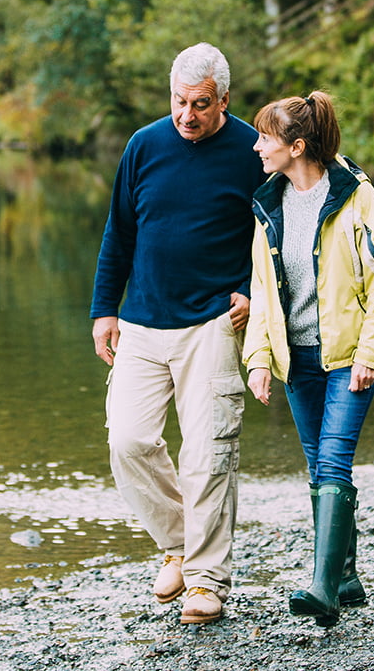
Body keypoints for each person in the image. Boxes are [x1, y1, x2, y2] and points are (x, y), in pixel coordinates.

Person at [89, 42, 267, 625]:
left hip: (213, 321)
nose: (187, 115)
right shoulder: (144, 145)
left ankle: (207, 582)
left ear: (224, 100)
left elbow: (271, 235)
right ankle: (179, 544)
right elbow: (118, 231)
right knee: (129, 441)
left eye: (201, 104)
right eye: (179, 102)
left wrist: (250, 290)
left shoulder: (249, 150)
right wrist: (103, 309)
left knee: (209, 453)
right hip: (140, 320)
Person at [242, 91, 374, 627]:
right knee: (319, 467)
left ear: (297, 145)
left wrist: (371, 351)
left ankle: (322, 591)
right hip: (298, 360)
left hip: (349, 357)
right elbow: (262, 292)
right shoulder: (269, 205)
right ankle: (347, 576)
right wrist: (259, 358)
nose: (258, 146)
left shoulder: (356, 197)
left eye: (266, 137)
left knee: (332, 460)